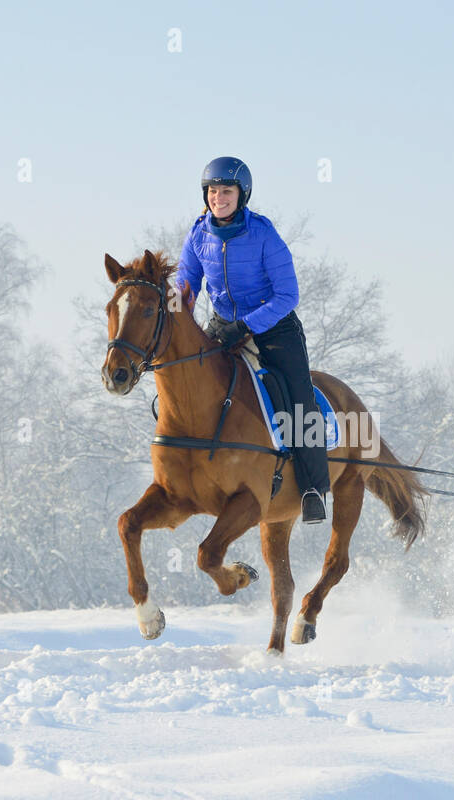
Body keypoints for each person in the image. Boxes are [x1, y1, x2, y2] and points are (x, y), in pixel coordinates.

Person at [175, 156, 329, 525]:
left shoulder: (262, 233)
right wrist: (174, 313)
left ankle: (313, 489)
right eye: (212, 191)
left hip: (274, 327)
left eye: (226, 191)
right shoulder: (198, 234)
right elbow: (185, 286)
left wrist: (246, 326)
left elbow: (287, 295)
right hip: (222, 324)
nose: (218, 198)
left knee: (297, 399)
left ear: (241, 195)